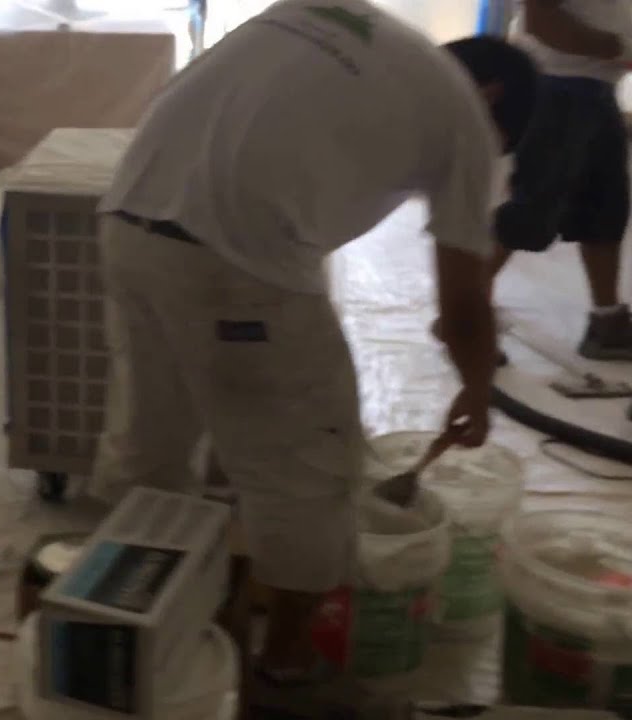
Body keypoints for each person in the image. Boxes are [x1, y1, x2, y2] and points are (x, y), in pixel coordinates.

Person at [90, 1, 538, 716]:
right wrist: (478, 393)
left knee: (155, 443)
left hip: (127, 222)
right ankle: (287, 667)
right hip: (235, 261)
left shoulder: (335, 18)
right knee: (306, 467)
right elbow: (463, 306)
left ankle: (128, 622)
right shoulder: (465, 117)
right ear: (494, 98)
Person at [439, 0, 632, 361]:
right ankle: (463, 319)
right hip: (556, 89)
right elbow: (542, 21)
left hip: (596, 90)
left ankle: (609, 324)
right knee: (530, 211)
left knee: (605, 211)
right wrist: (621, 47)